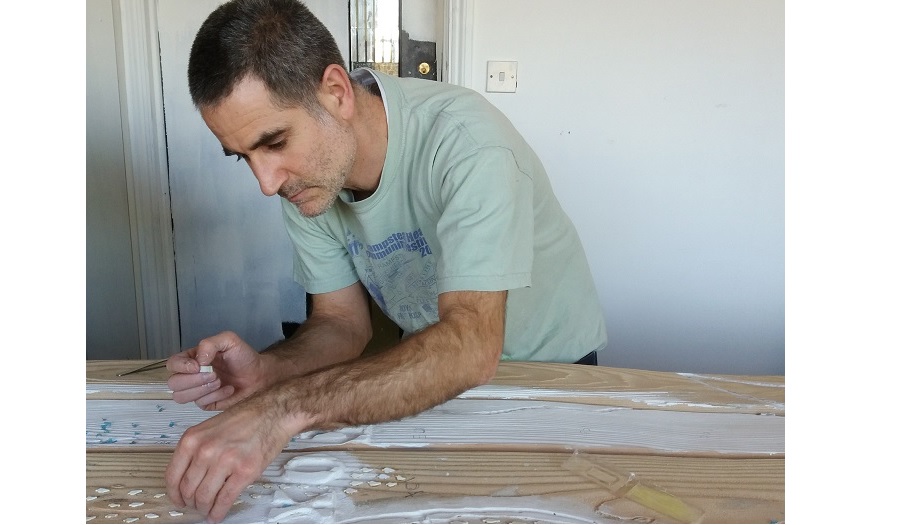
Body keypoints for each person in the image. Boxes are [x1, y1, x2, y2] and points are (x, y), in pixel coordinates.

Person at [164, 0, 607, 521]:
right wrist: (268, 371)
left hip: (548, 377)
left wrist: (278, 409)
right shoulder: (308, 180)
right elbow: (340, 325)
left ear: (336, 92)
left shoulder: (467, 146)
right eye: (245, 157)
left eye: (275, 142)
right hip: (428, 368)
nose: (266, 183)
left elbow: (471, 347)